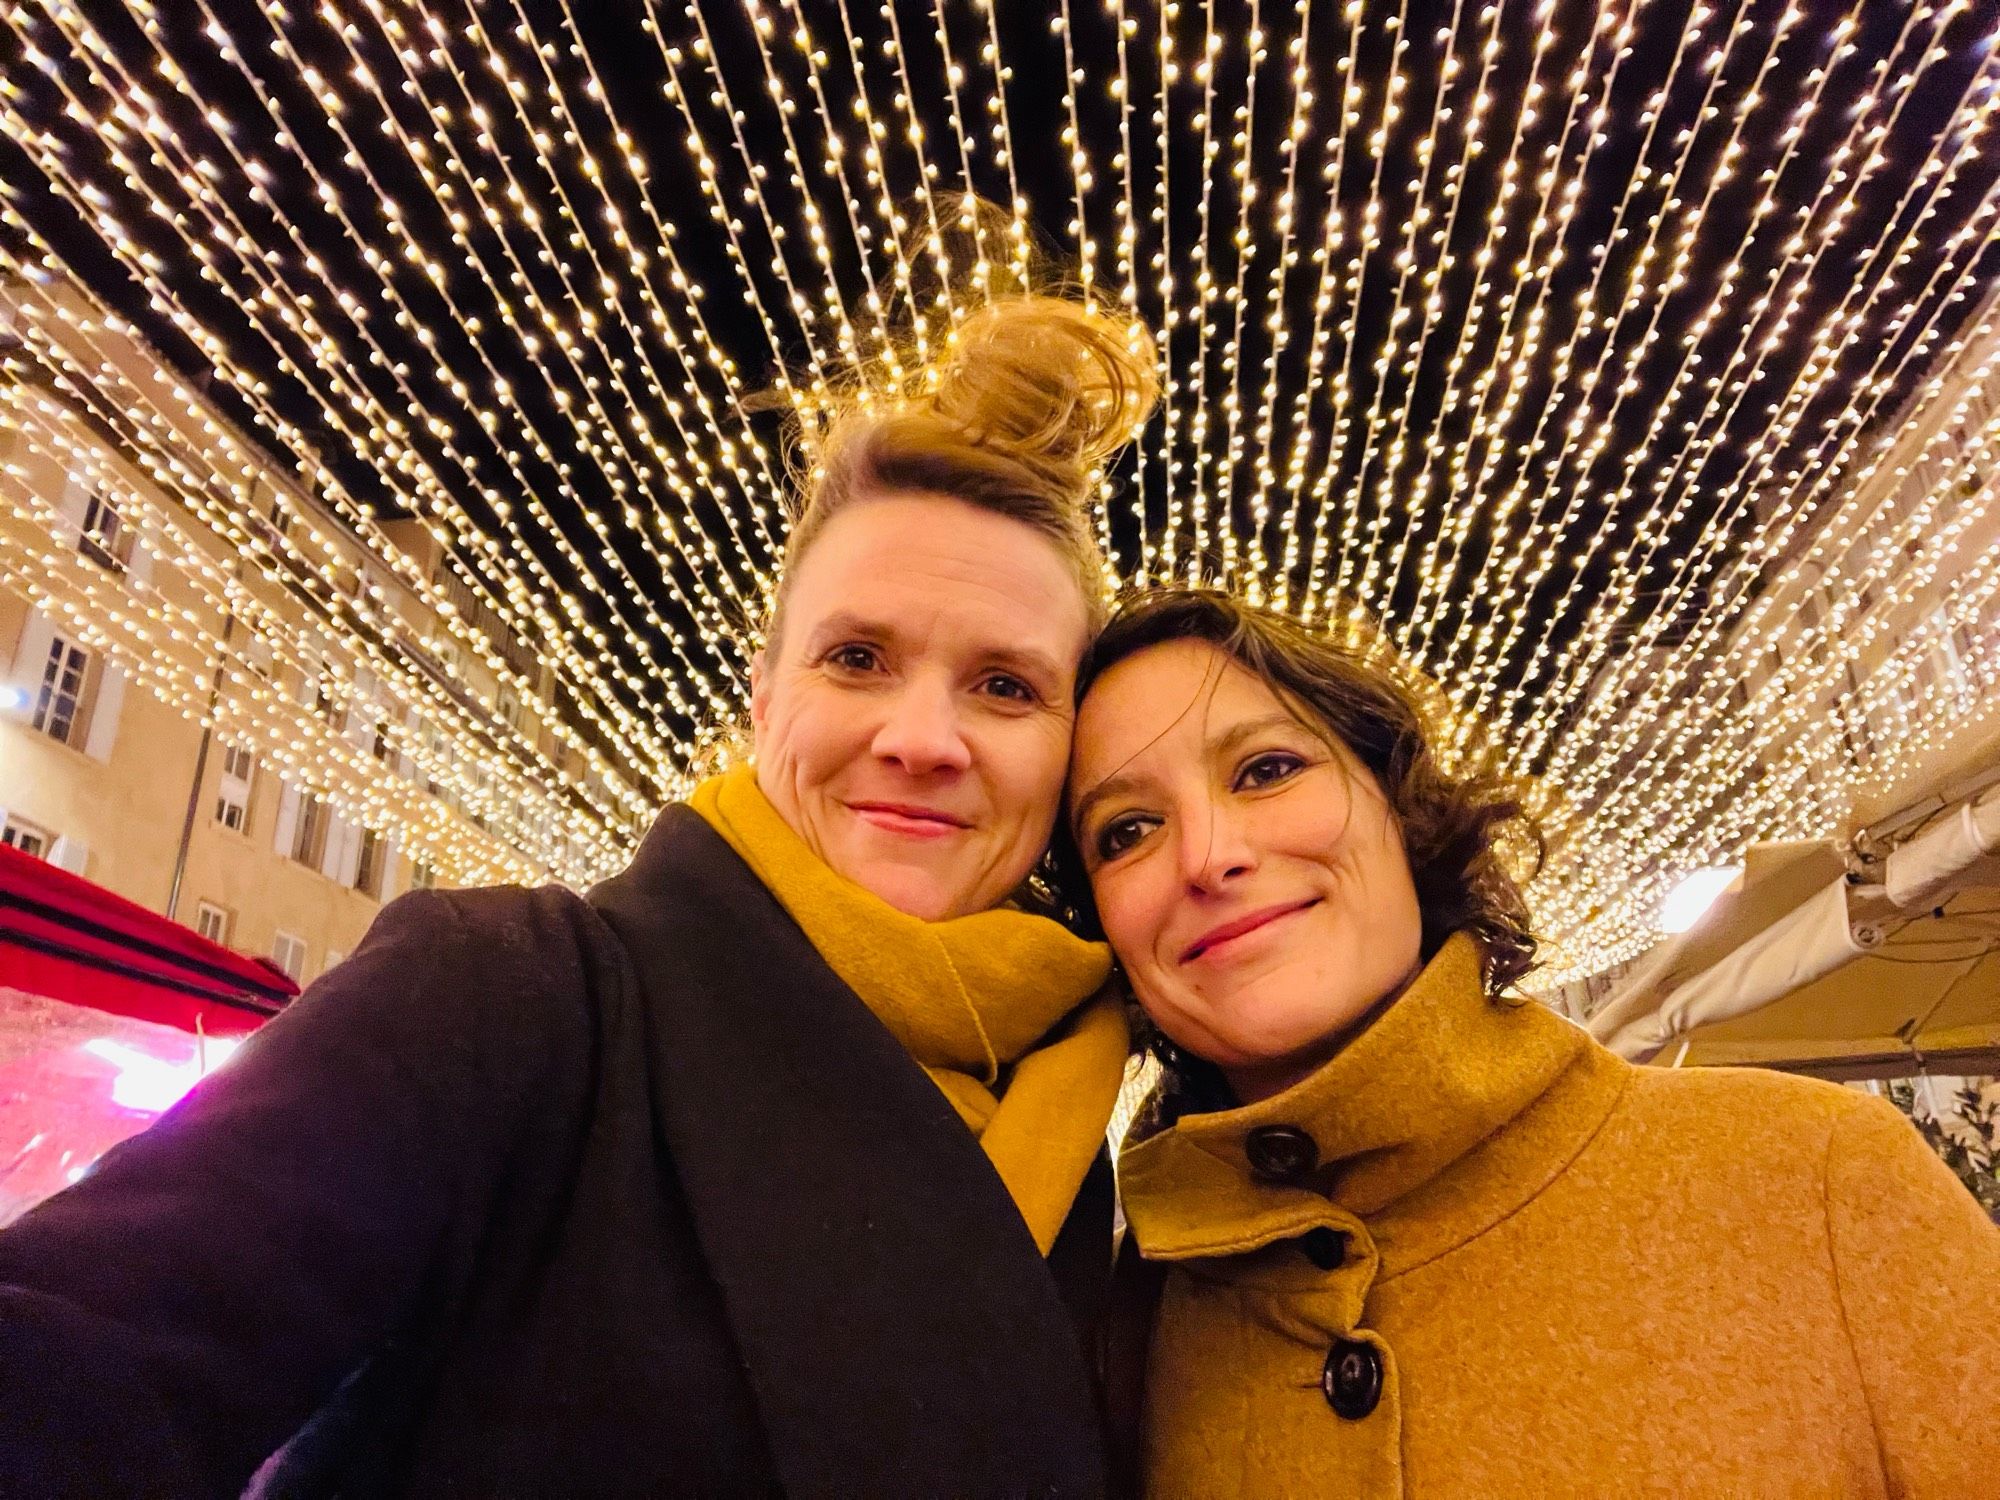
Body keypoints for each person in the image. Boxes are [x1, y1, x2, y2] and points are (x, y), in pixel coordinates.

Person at [0, 292, 1157, 1498]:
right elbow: (84, 1354)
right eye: (856, 659)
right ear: (764, 704)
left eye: (1006, 688)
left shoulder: (1074, 1113)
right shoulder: (514, 995)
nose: (923, 739)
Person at [1064, 588, 2000, 1498]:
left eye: (1266, 770)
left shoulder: (1818, 1175)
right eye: (1127, 831)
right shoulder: (1137, 1317)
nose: (1206, 855)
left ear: (1399, 808)